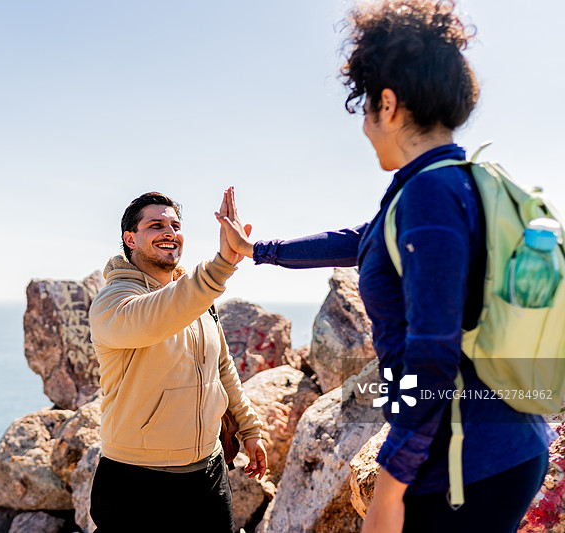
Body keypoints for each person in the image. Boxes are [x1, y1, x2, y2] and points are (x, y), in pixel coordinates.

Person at [215, 1, 552, 532]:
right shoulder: (456, 182)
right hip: (504, 442)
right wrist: (256, 250)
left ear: (389, 104)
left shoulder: (428, 197)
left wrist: (390, 487)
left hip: (466, 464)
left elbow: (433, 354)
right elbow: (362, 239)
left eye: (366, 109)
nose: (366, 128)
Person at [88, 191, 267, 533]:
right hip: (137, 482)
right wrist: (221, 265)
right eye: (156, 225)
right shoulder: (113, 302)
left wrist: (250, 430)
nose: (169, 231)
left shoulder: (194, 299)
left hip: (209, 472)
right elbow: (157, 315)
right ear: (131, 239)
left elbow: (222, 367)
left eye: (175, 225)